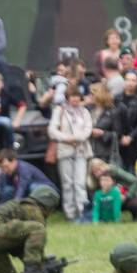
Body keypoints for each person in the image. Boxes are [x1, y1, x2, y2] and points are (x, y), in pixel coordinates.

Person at [48, 87, 92, 221]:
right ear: (67, 97)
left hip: (81, 149)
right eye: (72, 96)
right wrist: (67, 139)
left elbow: (88, 129)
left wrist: (78, 138)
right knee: (67, 183)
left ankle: (83, 211)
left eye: (77, 96)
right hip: (65, 149)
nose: (75, 99)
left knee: (80, 182)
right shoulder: (59, 110)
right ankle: (70, 213)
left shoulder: (84, 112)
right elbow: (52, 130)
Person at [117, 71, 137, 169]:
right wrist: (119, 136)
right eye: (128, 80)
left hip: (133, 143)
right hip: (117, 140)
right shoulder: (116, 99)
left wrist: (130, 137)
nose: (130, 83)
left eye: (133, 80)